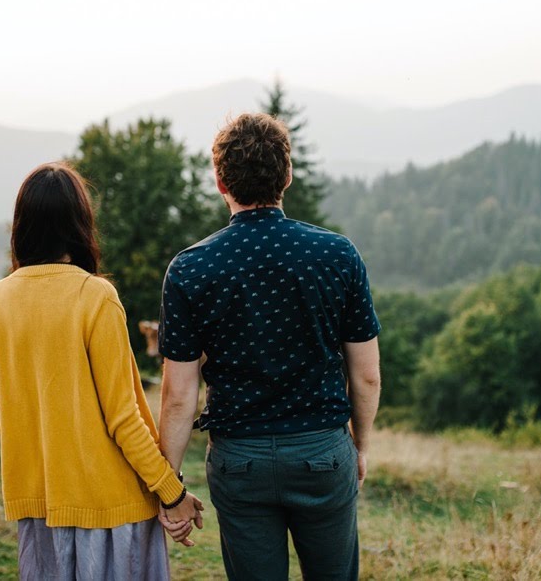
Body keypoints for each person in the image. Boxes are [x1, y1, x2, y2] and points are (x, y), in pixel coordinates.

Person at [157, 114, 382, 580]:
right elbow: (366, 374)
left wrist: (170, 486)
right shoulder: (338, 255)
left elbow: (179, 396)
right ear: (288, 175)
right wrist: (360, 445)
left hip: (241, 461)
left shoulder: (190, 269)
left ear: (221, 181)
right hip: (322, 452)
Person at [0, 162, 202, 581]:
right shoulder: (94, 296)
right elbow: (123, 418)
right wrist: (171, 492)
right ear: (80, 222)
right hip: (109, 511)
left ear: (22, 224)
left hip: (41, 509)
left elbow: (4, 412)